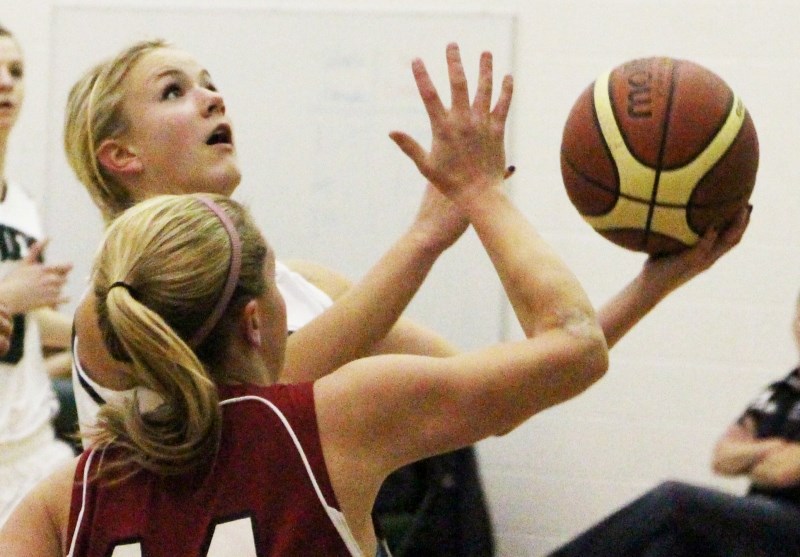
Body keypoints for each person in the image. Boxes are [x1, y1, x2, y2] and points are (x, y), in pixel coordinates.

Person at [0, 43, 610, 556]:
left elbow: (509, 383)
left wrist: (654, 282)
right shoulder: (111, 311)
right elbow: (268, 387)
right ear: (255, 321)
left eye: (209, 84)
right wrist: (455, 213)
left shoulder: (65, 499)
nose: (213, 98)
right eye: (173, 91)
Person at [548, 288, 800, 557]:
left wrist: (754, 457)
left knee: (674, 500)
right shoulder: (781, 390)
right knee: (668, 548)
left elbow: (784, 470)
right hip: (758, 518)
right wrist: (771, 450)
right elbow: (722, 457)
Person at [0, 22, 77, 527]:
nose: (6, 82)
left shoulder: (23, 205)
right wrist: (7, 293)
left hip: (33, 446)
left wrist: (109, 328)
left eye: (17, 71)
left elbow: (33, 325)